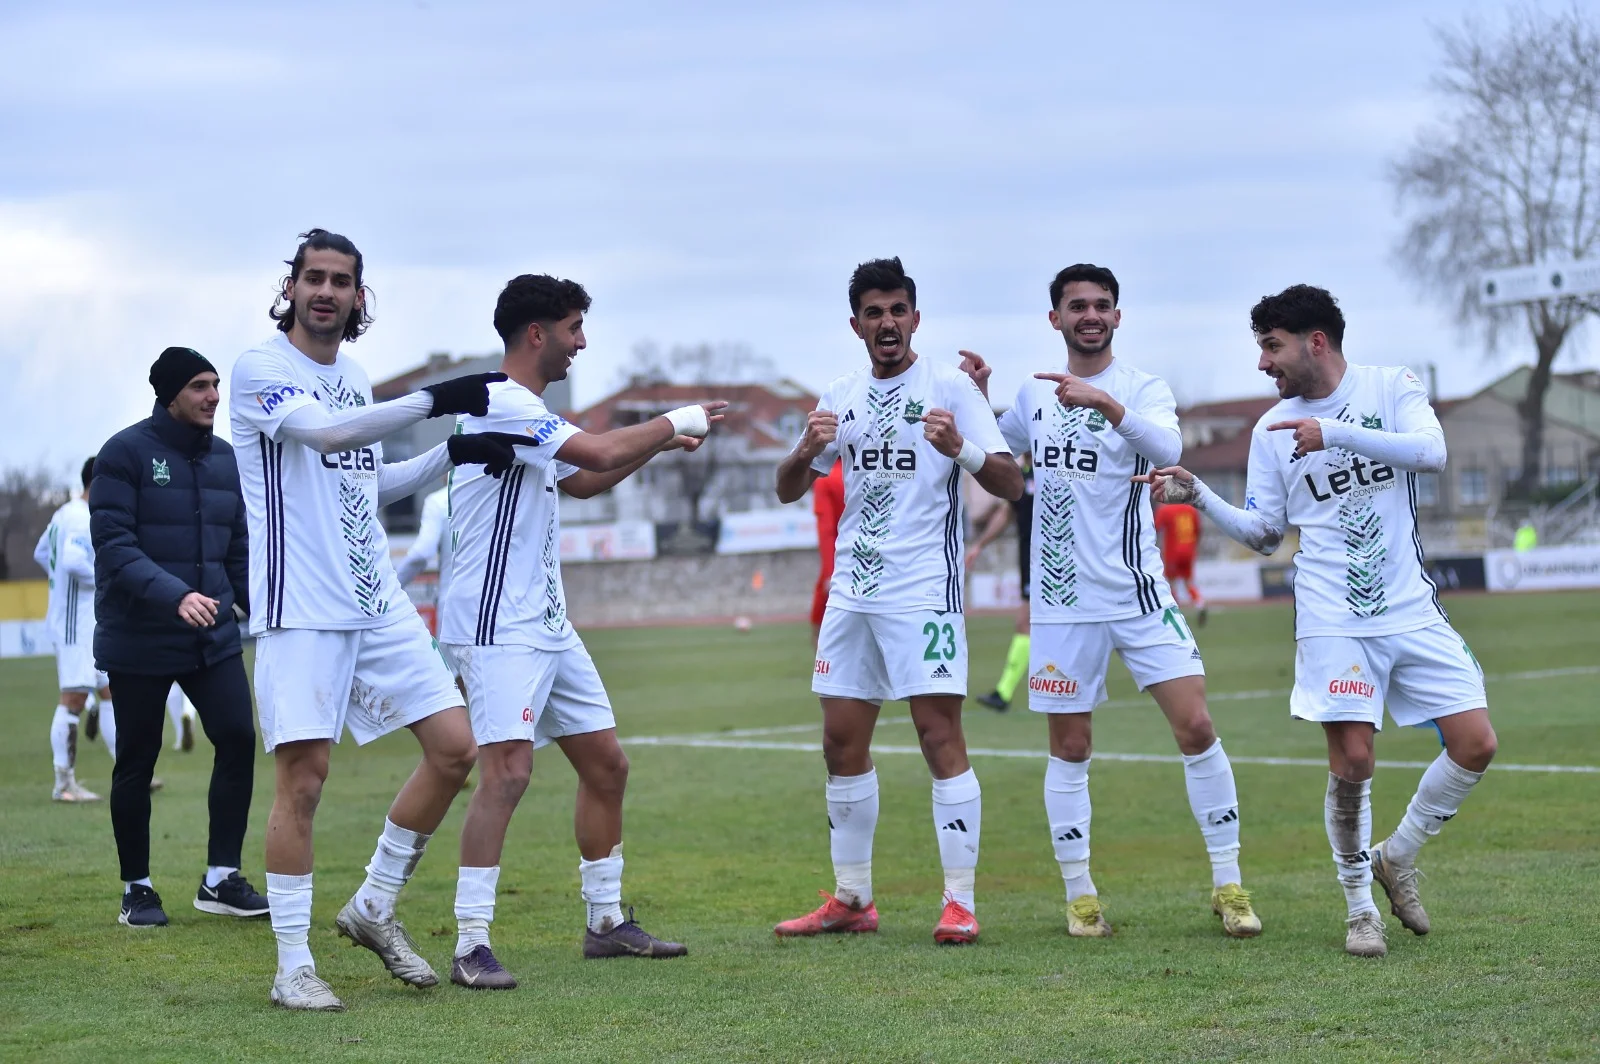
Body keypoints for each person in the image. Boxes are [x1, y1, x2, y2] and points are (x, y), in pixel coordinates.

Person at [1136, 284, 1497, 958]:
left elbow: (1432, 453)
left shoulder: (1392, 387)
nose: (1263, 363)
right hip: (1332, 615)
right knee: (1354, 758)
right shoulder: (1269, 432)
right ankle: (1361, 907)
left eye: (1271, 347)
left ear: (1316, 342)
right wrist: (1200, 495)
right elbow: (1268, 533)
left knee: (1476, 743)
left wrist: (1333, 433)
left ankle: (1399, 855)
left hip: (1409, 606)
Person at [230, 228, 530, 1010]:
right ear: (290, 288)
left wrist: (452, 453)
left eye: (341, 282)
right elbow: (322, 434)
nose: (326, 292)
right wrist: (435, 401)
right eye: (313, 278)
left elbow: (362, 479)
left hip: (376, 600)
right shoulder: (261, 369)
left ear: (360, 298)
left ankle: (371, 906)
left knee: (456, 747)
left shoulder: (355, 375)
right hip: (301, 606)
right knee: (303, 780)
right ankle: (292, 964)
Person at [440, 274, 721, 988]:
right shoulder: (502, 403)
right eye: (573, 328)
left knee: (607, 766)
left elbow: (584, 480)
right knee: (506, 775)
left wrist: (658, 444)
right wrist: (675, 417)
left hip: (546, 623)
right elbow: (595, 453)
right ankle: (470, 943)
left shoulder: (527, 413)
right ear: (537, 334)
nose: (582, 343)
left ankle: (604, 923)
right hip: (497, 623)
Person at [980, 264, 1259, 939]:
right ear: (1055, 319)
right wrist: (977, 398)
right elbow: (998, 453)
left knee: (1196, 728)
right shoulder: (1033, 392)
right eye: (1077, 305)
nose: (1091, 315)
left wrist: (1103, 404)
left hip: (1139, 594)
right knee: (1070, 747)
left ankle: (1230, 885)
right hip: (1061, 603)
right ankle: (1081, 898)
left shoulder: (1142, 389)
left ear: (1117, 316)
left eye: (1102, 305)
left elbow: (1168, 446)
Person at [773, 257, 1022, 945]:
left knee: (939, 735)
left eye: (898, 310)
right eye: (874, 313)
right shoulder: (840, 392)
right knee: (840, 741)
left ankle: (961, 903)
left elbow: (1009, 481)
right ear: (856, 324)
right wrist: (804, 448)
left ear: (916, 317)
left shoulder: (950, 386)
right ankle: (853, 899)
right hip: (853, 591)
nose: (887, 323)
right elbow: (789, 487)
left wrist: (963, 449)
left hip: (922, 591)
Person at [90, 347, 269, 928]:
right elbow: (115, 547)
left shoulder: (225, 460)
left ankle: (220, 878)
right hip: (139, 637)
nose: (213, 396)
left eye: (216, 385)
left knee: (238, 738)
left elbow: (238, 549)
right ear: (170, 394)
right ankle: (136, 889)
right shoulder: (124, 453)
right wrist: (174, 594)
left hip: (211, 637)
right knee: (137, 761)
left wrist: (264, 608)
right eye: (199, 386)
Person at [34, 459, 116, 802]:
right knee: (73, 699)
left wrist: (59, 583)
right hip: (74, 624)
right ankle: (63, 783)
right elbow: (70, 561)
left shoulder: (63, 513)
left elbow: (42, 553)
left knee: (110, 692)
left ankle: (129, 769)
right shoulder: (83, 517)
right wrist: (105, 581)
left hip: (81, 622)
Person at [968, 453, 1034, 711]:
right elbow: (1007, 512)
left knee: (1025, 623)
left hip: (1055, 559)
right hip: (1030, 559)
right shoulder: (1021, 473)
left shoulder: (1054, 467)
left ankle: (1003, 693)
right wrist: (979, 545)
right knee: (1030, 623)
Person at [1153, 499, 1208, 625]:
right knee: (1188, 582)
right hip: (1189, 550)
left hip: (1173, 552)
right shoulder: (1190, 509)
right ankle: (1200, 604)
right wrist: (1194, 547)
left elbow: (1155, 528)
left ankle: (1175, 612)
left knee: (1171, 583)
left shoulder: (1165, 510)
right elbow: (1198, 530)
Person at [809, 460, 844, 642]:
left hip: (843, 564)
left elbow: (827, 530)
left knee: (821, 629)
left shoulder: (827, 478)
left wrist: (829, 574)